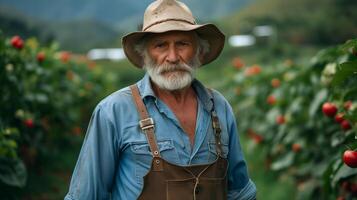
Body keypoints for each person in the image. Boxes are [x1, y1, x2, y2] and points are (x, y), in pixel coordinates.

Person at [65, 0, 257, 199]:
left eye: (182, 44)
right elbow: (85, 195)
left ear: (199, 50)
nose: (172, 57)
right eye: (160, 45)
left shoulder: (219, 107)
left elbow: (240, 191)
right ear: (145, 53)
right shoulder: (113, 111)